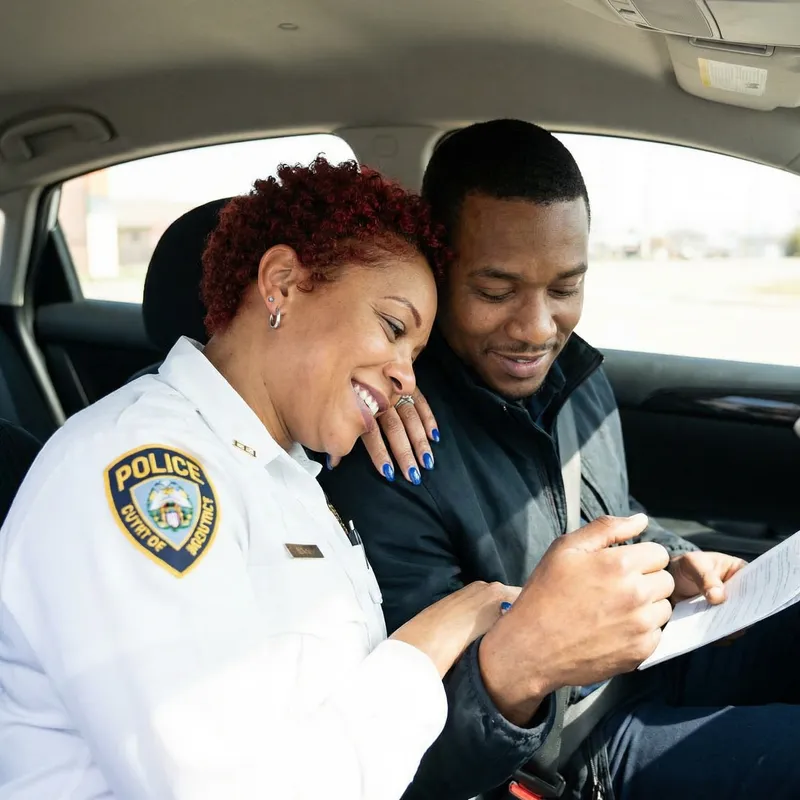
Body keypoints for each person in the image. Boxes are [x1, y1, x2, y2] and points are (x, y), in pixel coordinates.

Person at [0, 157, 518, 800]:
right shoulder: (142, 471)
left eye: (414, 356)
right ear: (280, 284)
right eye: (390, 328)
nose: (406, 377)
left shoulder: (288, 481)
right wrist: (426, 645)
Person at [319, 122, 800, 800]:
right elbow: (417, 745)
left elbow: (614, 515)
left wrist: (676, 562)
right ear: (436, 271)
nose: (537, 327)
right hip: (568, 745)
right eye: (496, 291)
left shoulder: (576, 377)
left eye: (565, 287)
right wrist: (524, 666)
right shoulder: (390, 447)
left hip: (657, 652)